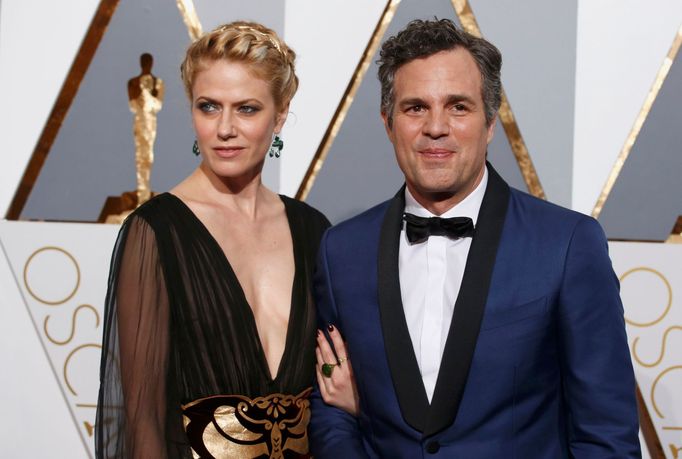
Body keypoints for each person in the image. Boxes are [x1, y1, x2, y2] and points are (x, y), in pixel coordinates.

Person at [309, 18, 641, 458]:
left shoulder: (567, 244)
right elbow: (330, 406)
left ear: (489, 123)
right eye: (415, 108)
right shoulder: (341, 251)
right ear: (389, 124)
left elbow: (606, 435)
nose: (436, 128)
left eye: (458, 107)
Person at [96, 21, 335, 458]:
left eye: (246, 109)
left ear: (280, 114)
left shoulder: (313, 230)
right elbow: (142, 417)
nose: (225, 129)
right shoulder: (157, 231)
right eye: (209, 107)